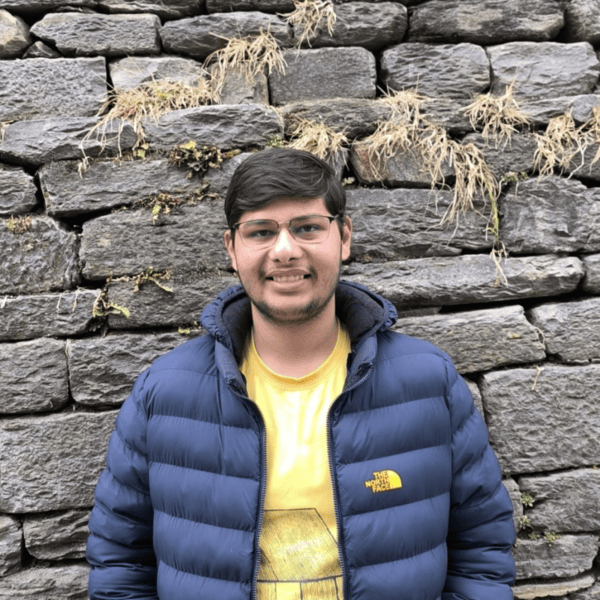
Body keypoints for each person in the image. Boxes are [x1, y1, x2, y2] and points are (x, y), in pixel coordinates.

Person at [87, 148, 516, 600]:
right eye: (261, 231)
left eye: (307, 227)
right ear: (232, 249)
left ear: (343, 237)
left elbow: (481, 545)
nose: (285, 250)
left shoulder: (428, 383)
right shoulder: (164, 393)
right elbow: (120, 559)